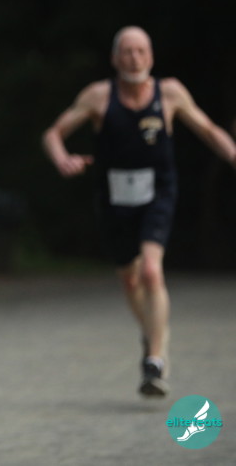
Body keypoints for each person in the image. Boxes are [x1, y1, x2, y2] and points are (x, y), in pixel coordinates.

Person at [42, 25, 236, 398]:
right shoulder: (99, 96)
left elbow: (209, 129)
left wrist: (232, 154)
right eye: (127, 52)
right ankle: (151, 333)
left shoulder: (170, 93)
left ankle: (156, 360)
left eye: (141, 51)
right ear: (115, 58)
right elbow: (53, 134)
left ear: (151, 56)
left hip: (157, 193)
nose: (134, 59)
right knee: (129, 280)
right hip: (114, 198)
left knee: (150, 270)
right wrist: (62, 159)